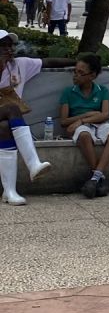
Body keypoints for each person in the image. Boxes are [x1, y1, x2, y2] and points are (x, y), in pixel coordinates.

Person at [59, 52, 109, 198]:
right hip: (80, 126)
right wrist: (85, 116)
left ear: (92, 76)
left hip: (97, 123)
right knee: (84, 135)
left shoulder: (102, 90)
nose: (75, 75)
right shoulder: (68, 92)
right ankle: (99, 179)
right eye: (75, 71)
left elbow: (105, 114)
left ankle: (95, 178)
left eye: (81, 73)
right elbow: (64, 122)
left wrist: (85, 120)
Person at [0, 30, 52, 204]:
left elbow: (49, 62)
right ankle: (33, 164)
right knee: (13, 108)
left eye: (10, 45)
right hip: (7, 110)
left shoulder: (18, 65)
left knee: (5, 128)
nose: (9, 49)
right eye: (3, 46)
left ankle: (9, 192)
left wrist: (82, 62)